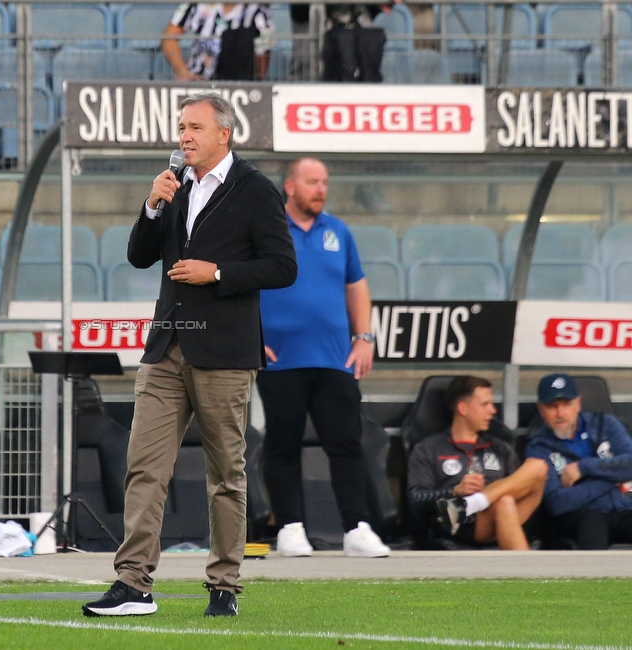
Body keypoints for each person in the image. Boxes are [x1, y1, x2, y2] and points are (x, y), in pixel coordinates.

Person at [82, 91, 297, 618]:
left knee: (226, 473)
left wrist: (217, 273)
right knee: (144, 467)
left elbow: (282, 266)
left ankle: (224, 585)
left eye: (196, 127)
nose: (185, 136)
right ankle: (133, 585)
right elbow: (138, 256)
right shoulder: (175, 186)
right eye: (182, 127)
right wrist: (151, 204)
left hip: (224, 352)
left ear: (225, 133)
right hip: (166, 347)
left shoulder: (255, 191)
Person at [257, 157, 390, 559]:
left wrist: (364, 337)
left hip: (334, 359)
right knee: (282, 444)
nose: (321, 189)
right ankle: (290, 528)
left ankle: (356, 528)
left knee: (346, 444)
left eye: (325, 182)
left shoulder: (339, 231)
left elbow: (356, 285)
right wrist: (250, 336)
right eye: (312, 182)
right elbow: (240, 285)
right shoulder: (265, 229)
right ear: (291, 186)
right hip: (280, 359)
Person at [409, 376, 547, 550]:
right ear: (463, 408)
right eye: (485, 404)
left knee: (538, 467)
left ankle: (470, 504)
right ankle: (528, 575)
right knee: (503, 502)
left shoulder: (500, 448)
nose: (493, 410)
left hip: (506, 515)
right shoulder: (428, 448)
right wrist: (454, 491)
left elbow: (520, 487)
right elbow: (416, 499)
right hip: (460, 525)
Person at [526, 373, 632, 550]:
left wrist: (583, 468)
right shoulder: (538, 447)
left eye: (567, 404)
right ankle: (594, 577)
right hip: (578, 518)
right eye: (552, 406)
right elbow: (557, 502)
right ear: (541, 410)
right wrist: (614, 479)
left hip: (623, 508)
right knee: (591, 521)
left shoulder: (605, 424)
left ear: (578, 403)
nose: (560, 413)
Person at [162, 3, 274, 81]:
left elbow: (263, 53)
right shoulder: (196, 5)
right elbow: (169, 37)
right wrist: (183, 72)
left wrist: (253, 83)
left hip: (235, 82)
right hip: (198, 81)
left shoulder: (258, 12)